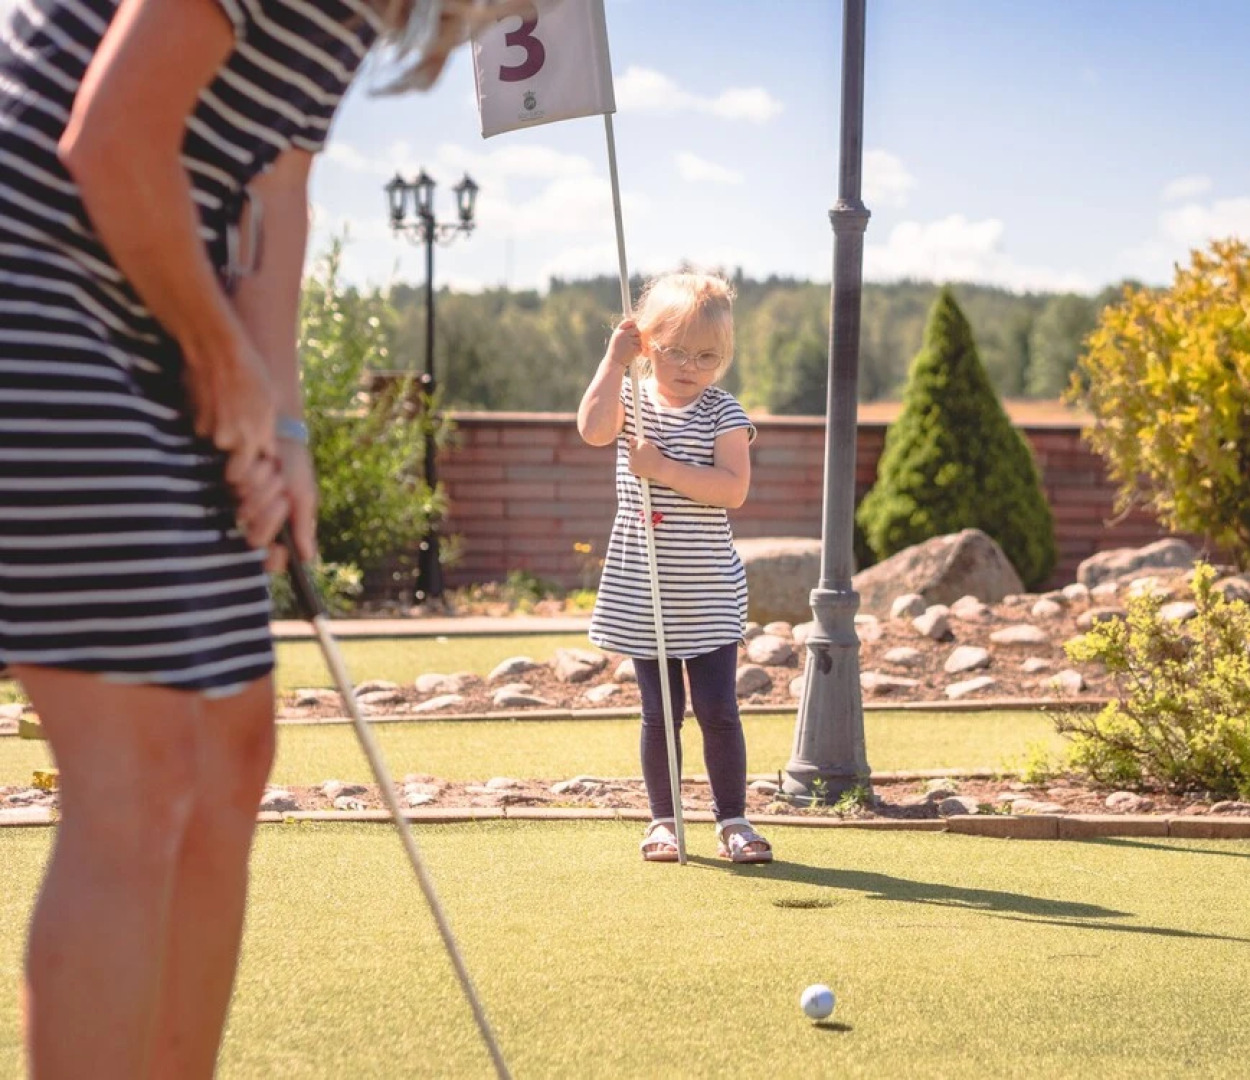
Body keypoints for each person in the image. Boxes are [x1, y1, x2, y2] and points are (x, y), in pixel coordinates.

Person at [0, 1, 525, 1075]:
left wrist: (282, 423)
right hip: (34, 286)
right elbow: (108, 138)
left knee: (231, 743)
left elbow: (273, 194)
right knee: (139, 772)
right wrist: (218, 354)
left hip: (146, 285)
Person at [577, 272, 775, 865]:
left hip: (706, 589)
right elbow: (591, 429)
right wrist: (613, 363)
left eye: (707, 356)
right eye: (675, 351)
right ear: (647, 344)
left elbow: (732, 490)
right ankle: (664, 821)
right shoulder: (630, 404)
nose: (690, 366)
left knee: (717, 708)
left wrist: (659, 468)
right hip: (646, 588)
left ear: (724, 359)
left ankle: (733, 819)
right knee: (659, 713)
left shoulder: (724, 412)